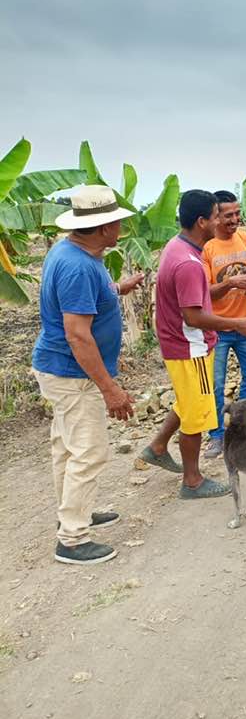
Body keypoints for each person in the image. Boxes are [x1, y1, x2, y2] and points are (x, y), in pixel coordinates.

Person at [32, 185, 143, 565]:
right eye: (117, 222)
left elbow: (85, 299)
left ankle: (73, 511)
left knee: (66, 446)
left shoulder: (74, 253)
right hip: (72, 374)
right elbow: (77, 335)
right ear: (105, 227)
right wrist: (110, 389)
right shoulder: (78, 266)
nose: (120, 228)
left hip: (61, 369)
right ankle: (73, 539)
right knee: (89, 451)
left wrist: (118, 289)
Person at [141, 190, 246, 497]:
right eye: (218, 216)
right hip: (190, 347)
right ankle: (192, 481)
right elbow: (193, 317)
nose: (222, 222)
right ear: (202, 221)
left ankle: (158, 446)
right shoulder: (189, 263)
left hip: (179, 343)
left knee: (186, 401)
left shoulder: (177, 246)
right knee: (195, 415)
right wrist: (237, 323)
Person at [201, 190, 246, 459]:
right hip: (218, 329)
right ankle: (216, 436)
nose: (235, 219)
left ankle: (242, 428)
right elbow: (203, 293)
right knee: (215, 385)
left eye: (237, 213)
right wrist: (230, 283)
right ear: (216, 217)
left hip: (245, 325)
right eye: (228, 215)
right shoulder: (207, 248)